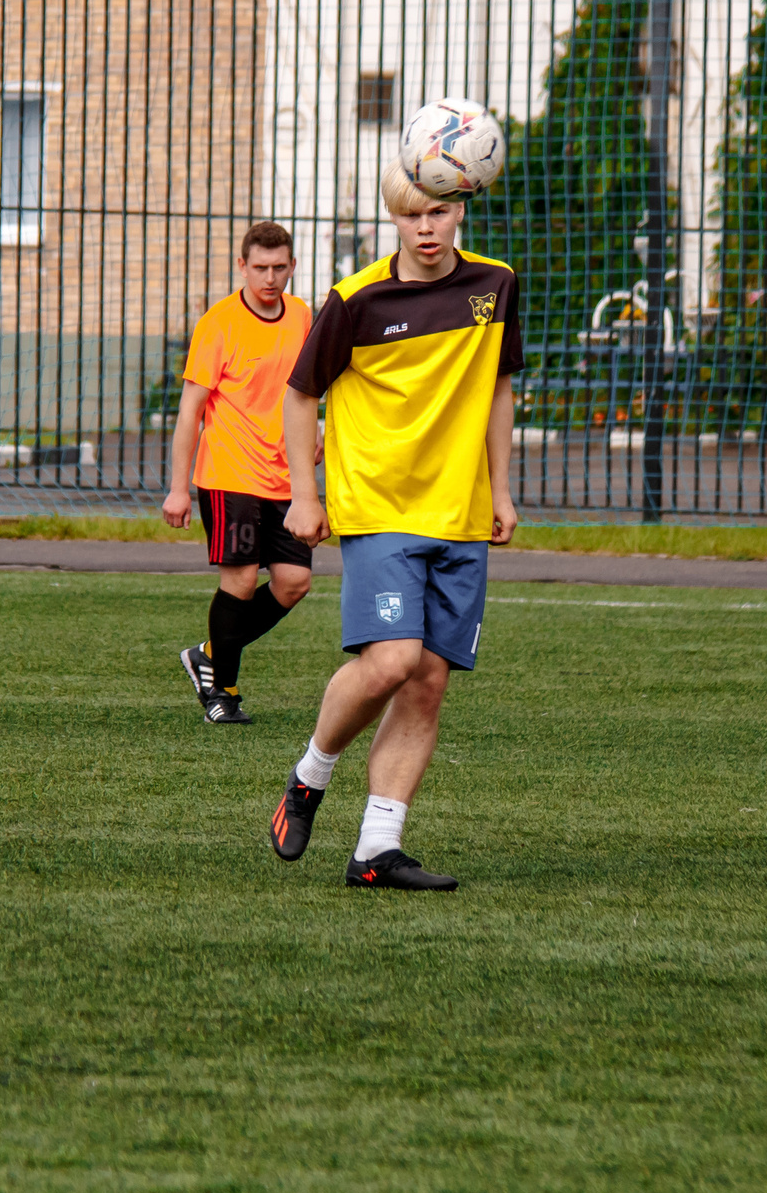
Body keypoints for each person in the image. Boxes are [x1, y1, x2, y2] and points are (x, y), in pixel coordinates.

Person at [267, 161, 521, 892]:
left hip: (461, 513)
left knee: (429, 680)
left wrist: (501, 488)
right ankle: (311, 774)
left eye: (438, 212)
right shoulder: (355, 299)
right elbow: (299, 397)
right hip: (377, 506)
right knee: (391, 659)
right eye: (412, 216)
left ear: (461, 209)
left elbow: (500, 386)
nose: (426, 227)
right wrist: (304, 495)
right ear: (395, 220)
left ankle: (377, 848)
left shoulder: (495, 285)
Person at [160, 221, 314, 724]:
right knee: (243, 579)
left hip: (285, 477)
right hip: (228, 473)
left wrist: (318, 433)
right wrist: (178, 489)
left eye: (279, 268)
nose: (270, 278)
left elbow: (309, 392)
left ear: (292, 267)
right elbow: (190, 411)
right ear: (242, 266)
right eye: (260, 268)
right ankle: (221, 691)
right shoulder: (219, 322)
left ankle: (208, 651)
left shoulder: (303, 318)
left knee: (293, 582)